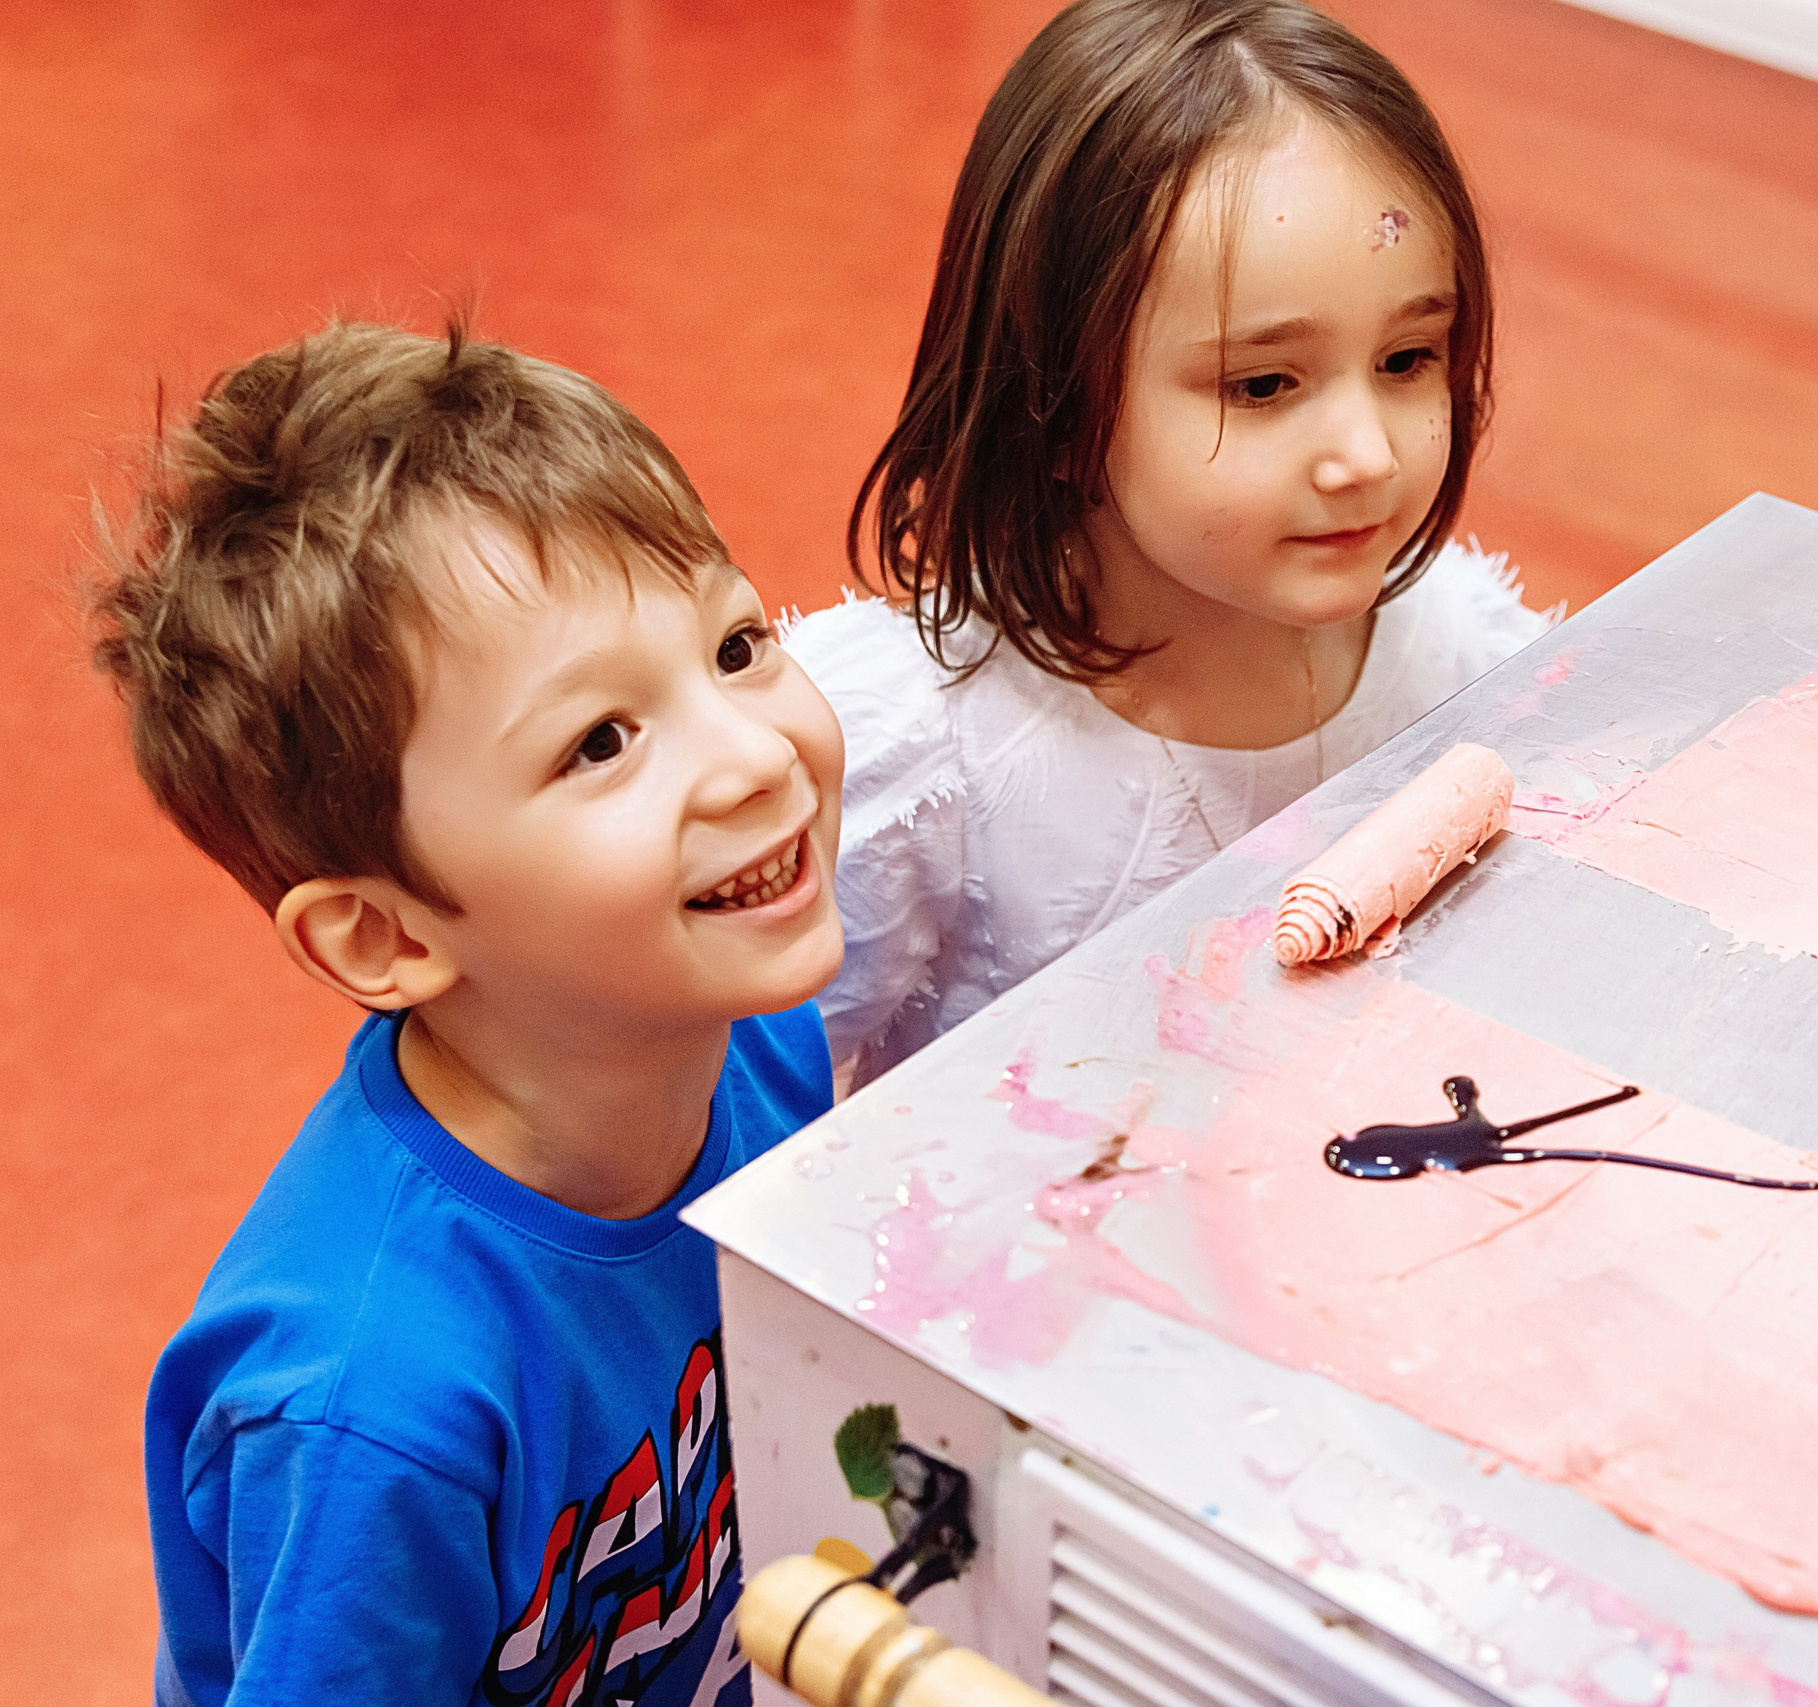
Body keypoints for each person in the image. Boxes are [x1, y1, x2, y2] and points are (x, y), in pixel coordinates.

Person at [100, 321, 845, 1706]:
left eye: (737, 642)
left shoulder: (764, 1042)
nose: (753, 753)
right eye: (601, 742)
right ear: (383, 932)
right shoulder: (374, 1403)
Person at [789, 0, 1549, 1091]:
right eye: (1264, 383)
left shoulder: (1469, 657)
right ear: (1052, 402)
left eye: (1408, 357)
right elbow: (742, 1131)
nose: (1368, 455)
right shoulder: (917, 759)